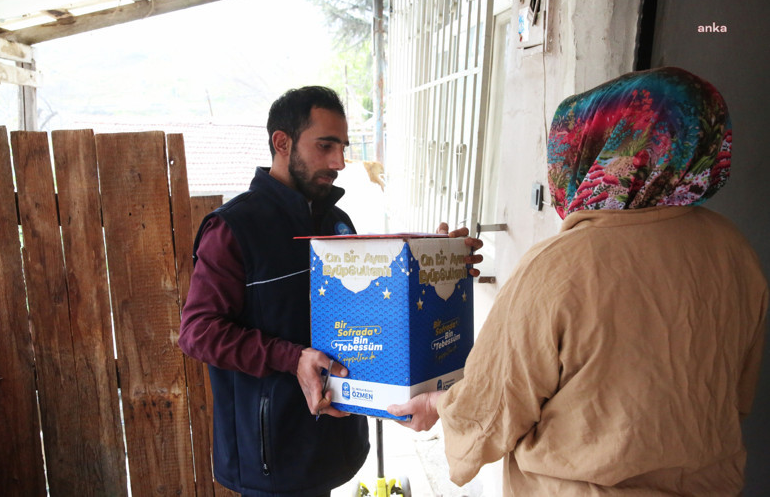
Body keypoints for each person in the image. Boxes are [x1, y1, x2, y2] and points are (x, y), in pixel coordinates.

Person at [388, 67, 768, 495]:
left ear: (598, 152)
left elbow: (491, 410)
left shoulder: (559, 265)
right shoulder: (735, 249)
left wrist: (436, 405)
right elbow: (736, 394)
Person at [178, 86, 482, 496]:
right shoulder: (233, 229)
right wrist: (292, 358)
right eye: (325, 146)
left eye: (342, 146)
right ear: (281, 143)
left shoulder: (338, 222)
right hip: (271, 459)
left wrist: (441, 266)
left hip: (334, 445)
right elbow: (197, 332)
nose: (339, 162)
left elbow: (373, 312)